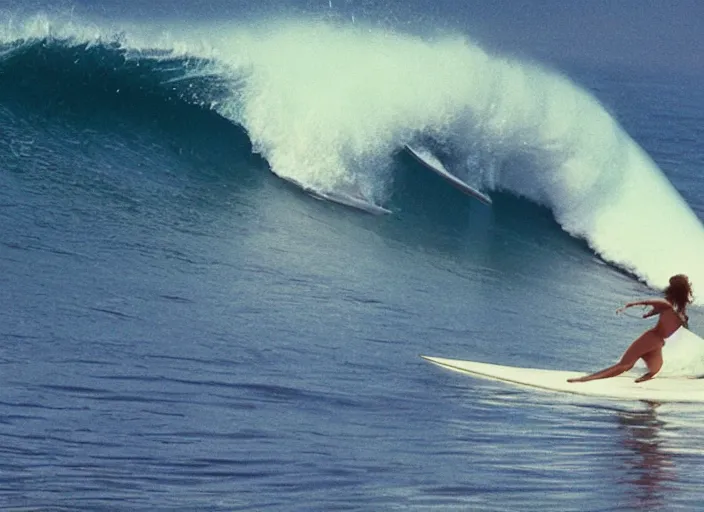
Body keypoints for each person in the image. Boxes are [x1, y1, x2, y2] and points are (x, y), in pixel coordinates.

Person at [568, 274, 693, 384]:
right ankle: (585, 379)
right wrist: (635, 308)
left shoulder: (674, 308)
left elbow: (658, 306)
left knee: (654, 370)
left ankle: (639, 378)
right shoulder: (673, 308)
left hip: (658, 342)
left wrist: (639, 309)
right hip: (652, 338)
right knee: (625, 365)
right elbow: (656, 304)